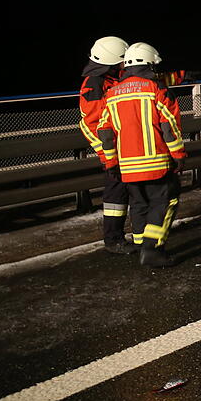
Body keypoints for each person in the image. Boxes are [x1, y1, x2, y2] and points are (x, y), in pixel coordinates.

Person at [96, 43, 187, 267]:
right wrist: (179, 155)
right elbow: (169, 126)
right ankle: (152, 248)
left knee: (139, 204)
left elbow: (105, 132)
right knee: (166, 201)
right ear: (149, 63)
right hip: (156, 163)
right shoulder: (156, 89)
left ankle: (140, 244)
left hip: (127, 167)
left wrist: (110, 162)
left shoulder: (112, 94)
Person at [79, 36, 136, 254]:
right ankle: (113, 240)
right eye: (122, 60)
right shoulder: (95, 85)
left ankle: (139, 235)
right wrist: (108, 157)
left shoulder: (112, 77)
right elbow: (92, 125)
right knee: (116, 196)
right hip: (114, 152)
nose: (125, 64)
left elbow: (145, 79)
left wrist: (179, 77)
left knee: (132, 192)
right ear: (112, 62)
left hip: (127, 147)